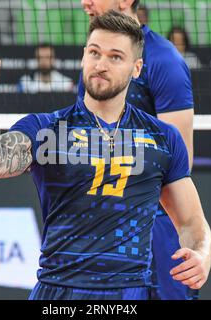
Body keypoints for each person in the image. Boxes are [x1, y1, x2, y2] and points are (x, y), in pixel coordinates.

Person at [0, 0, 197, 300]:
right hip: (60, 290)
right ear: (83, 56)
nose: (100, 64)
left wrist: (201, 251)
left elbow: (186, 204)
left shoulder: (162, 120)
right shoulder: (48, 128)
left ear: (136, 68)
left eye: (114, 57)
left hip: (132, 277)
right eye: (94, 53)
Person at [80, 0, 196, 300]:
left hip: (156, 223)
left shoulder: (164, 60)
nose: (84, 2)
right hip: (104, 225)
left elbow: (179, 162)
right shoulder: (95, 67)